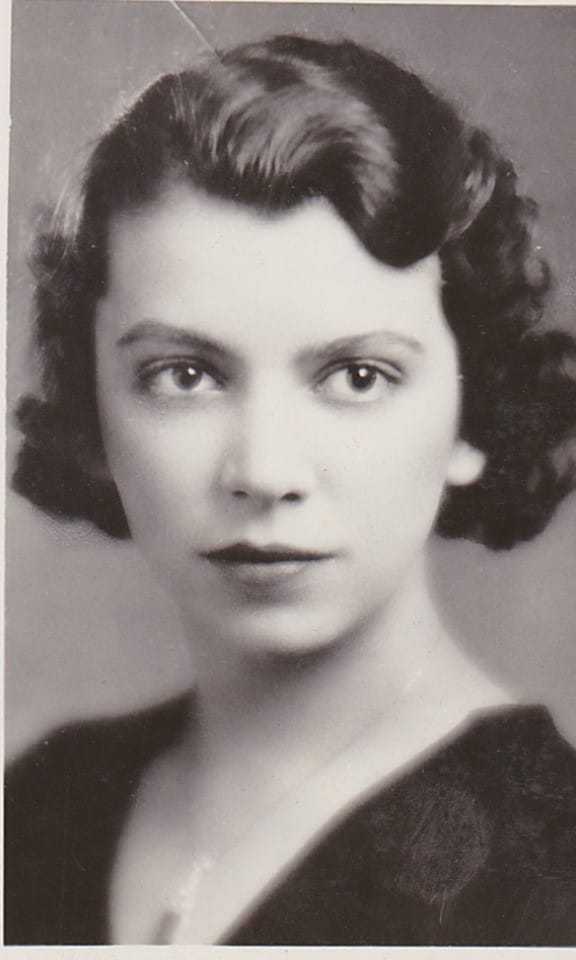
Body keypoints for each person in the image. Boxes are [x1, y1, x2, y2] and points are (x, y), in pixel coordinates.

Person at [5, 34, 576, 946]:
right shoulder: (37, 808)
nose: (264, 472)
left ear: (474, 414)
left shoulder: (553, 862)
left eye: (357, 376)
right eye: (185, 375)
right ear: (94, 409)